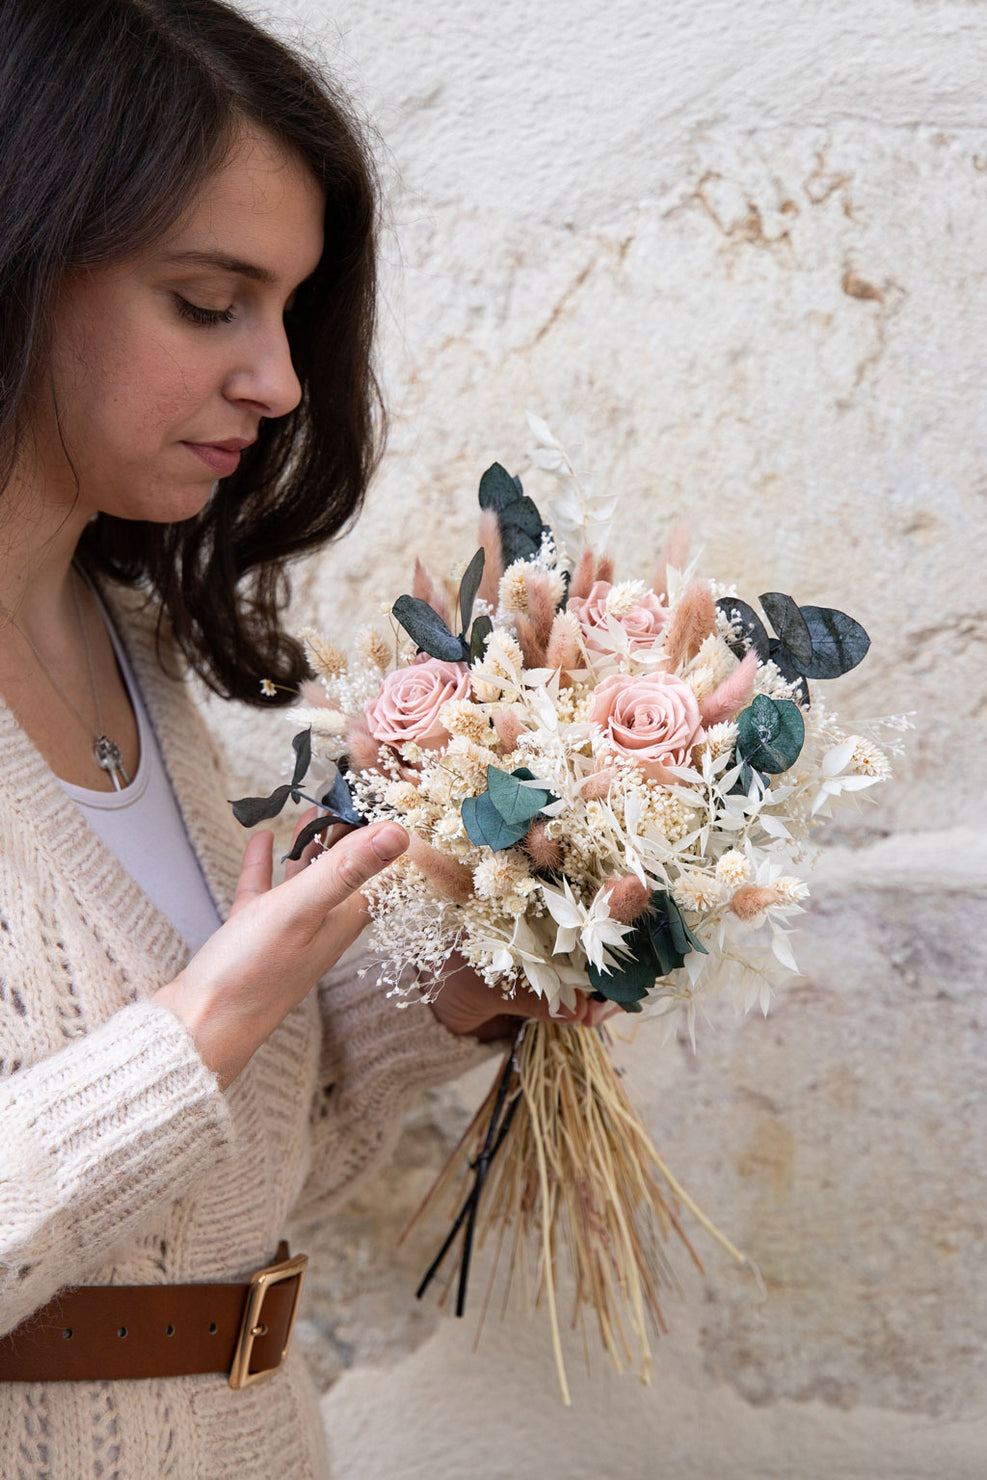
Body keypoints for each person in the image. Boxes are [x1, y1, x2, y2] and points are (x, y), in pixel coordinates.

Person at [0, 3, 604, 1474]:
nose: (276, 381)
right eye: (209, 302)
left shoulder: (130, 649)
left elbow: (205, 1204)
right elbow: (175, 1062)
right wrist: (206, 1020)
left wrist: (452, 991)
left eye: (287, 313)